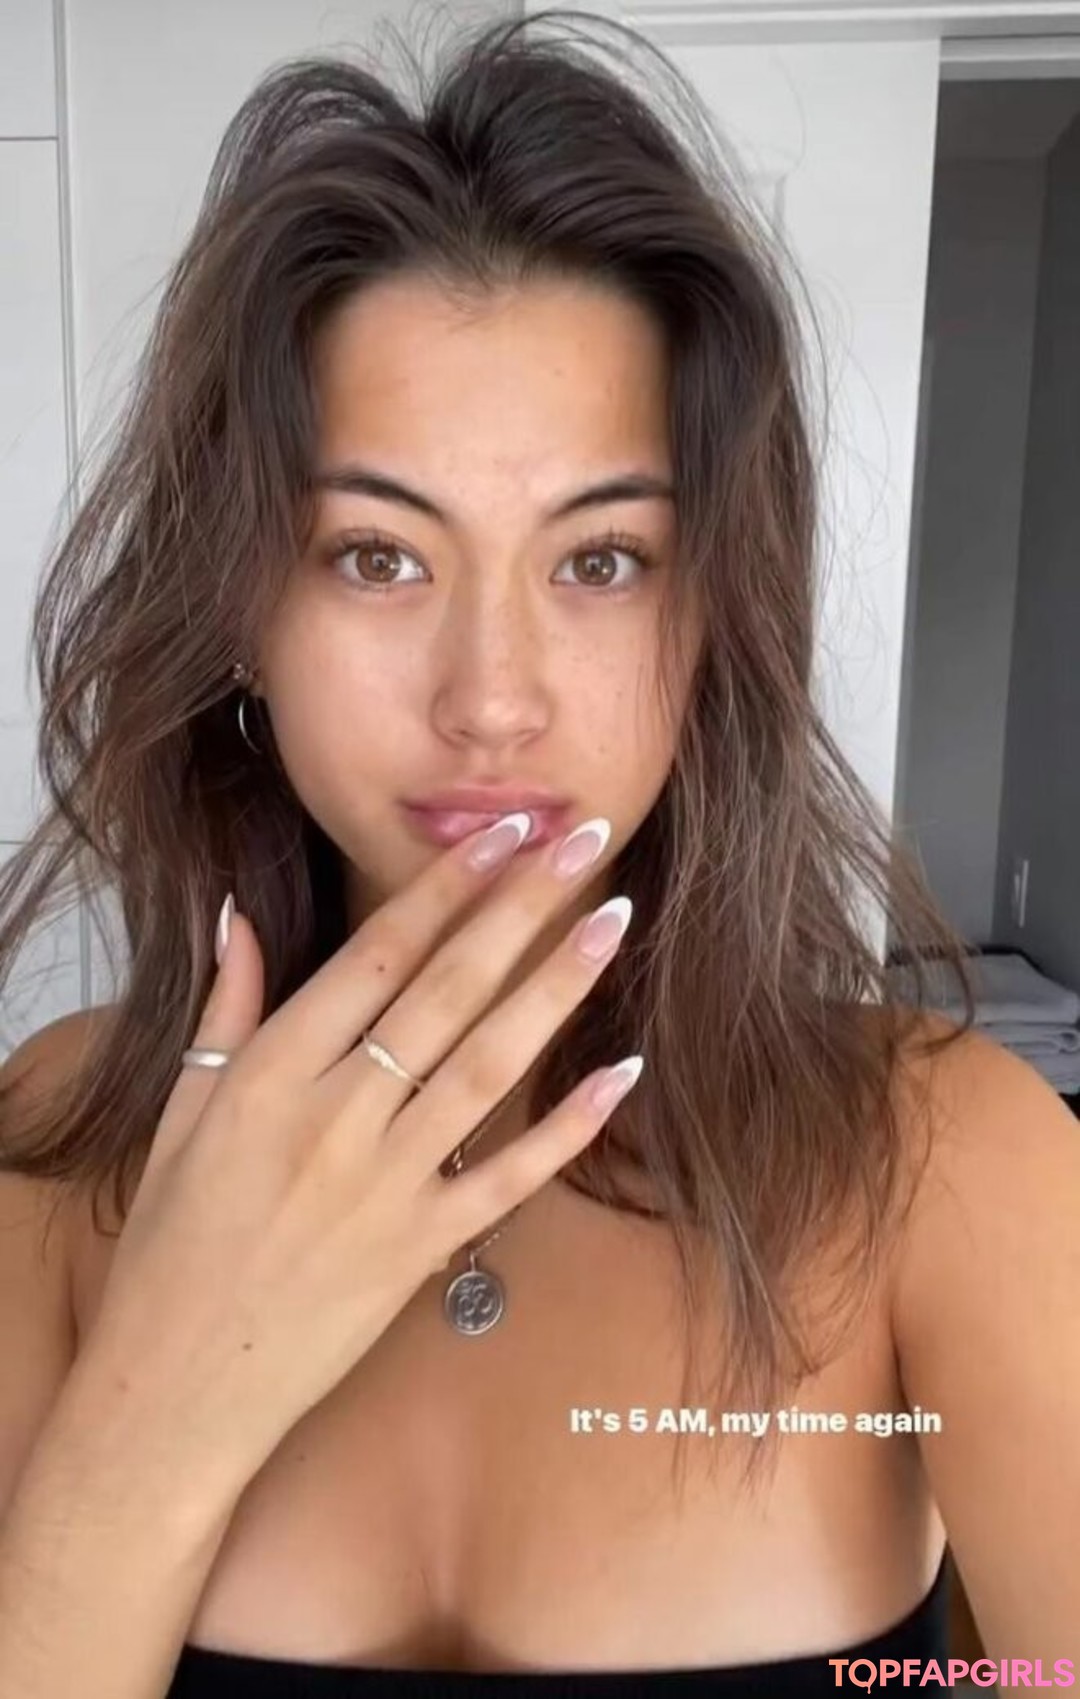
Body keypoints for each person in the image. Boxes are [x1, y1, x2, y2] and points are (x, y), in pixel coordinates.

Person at [0, 9, 1076, 1694]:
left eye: (601, 561)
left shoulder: (952, 1163)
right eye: (375, 555)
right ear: (239, 618)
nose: (492, 699)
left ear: (712, 618)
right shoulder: (56, 1149)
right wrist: (166, 1403)